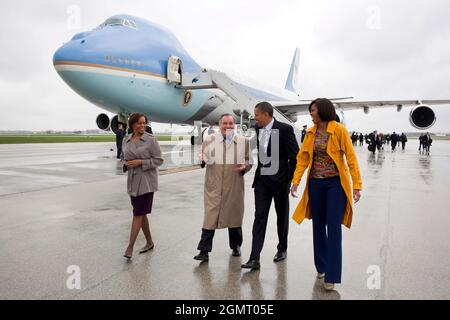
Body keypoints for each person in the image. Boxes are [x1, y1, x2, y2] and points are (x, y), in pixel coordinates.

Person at [290, 98, 362, 291]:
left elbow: (351, 158)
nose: (311, 113)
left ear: (322, 111)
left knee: (334, 228)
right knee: (318, 225)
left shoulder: (339, 130)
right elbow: (303, 158)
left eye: (312, 110)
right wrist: (296, 181)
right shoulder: (310, 133)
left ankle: (332, 274)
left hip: (335, 184)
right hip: (315, 184)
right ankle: (321, 265)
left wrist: (357, 184)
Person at [241, 102, 299, 270]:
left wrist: (288, 178)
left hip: (280, 182)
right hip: (262, 182)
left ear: (266, 114)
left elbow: (295, 156)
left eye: (257, 115)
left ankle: (282, 249)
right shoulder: (258, 129)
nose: (255, 118)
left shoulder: (284, 129)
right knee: (259, 217)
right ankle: (254, 258)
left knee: (282, 217)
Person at [193, 114, 252, 262]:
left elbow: (249, 160)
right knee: (210, 218)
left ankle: (236, 246)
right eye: (225, 123)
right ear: (220, 125)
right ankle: (204, 251)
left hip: (234, 186)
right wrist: (202, 158)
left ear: (235, 125)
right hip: (214, 186)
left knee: (234, 217)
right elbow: (202, 156)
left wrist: (246, 166)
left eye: (231, 123)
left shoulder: (243, 142)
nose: (228, 126)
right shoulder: (210, 140)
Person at [121, 113, 164, 259]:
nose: (142, 126)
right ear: (132, 124)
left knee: (138, 213)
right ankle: (150, 242)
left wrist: (141, 162)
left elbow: (158, 160)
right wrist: (126, 164)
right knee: (141, 213)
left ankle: (130, 247)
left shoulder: (150, 140)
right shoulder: (126, 140)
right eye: (139, 123)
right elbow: (123, 157)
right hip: (132, 181)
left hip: (146, 182)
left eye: (144, 123)